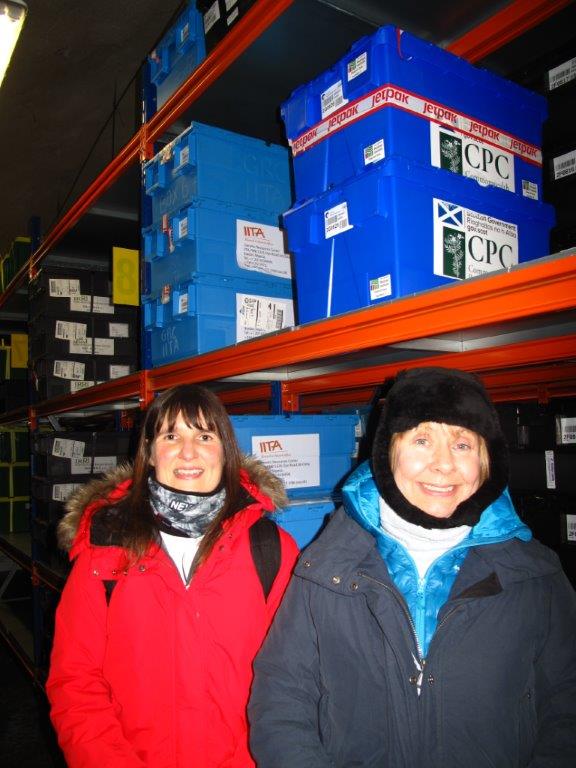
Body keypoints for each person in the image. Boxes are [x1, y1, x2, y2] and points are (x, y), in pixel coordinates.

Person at [249, 366, 576, 767]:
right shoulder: (326, 567)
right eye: (422, 440)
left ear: (486, 461)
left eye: (462, 444)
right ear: (388, 452)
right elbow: (281, 698)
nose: (443, 464)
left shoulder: (534, 575)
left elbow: (567, 707)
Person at [46, 384, 299, 768]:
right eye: (170, 436)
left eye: (205, 436)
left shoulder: (271, 549)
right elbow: (76, 682)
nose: (188, 451)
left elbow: (293, 678)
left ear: (226, 451)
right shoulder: (105, 548)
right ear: (149, 453)